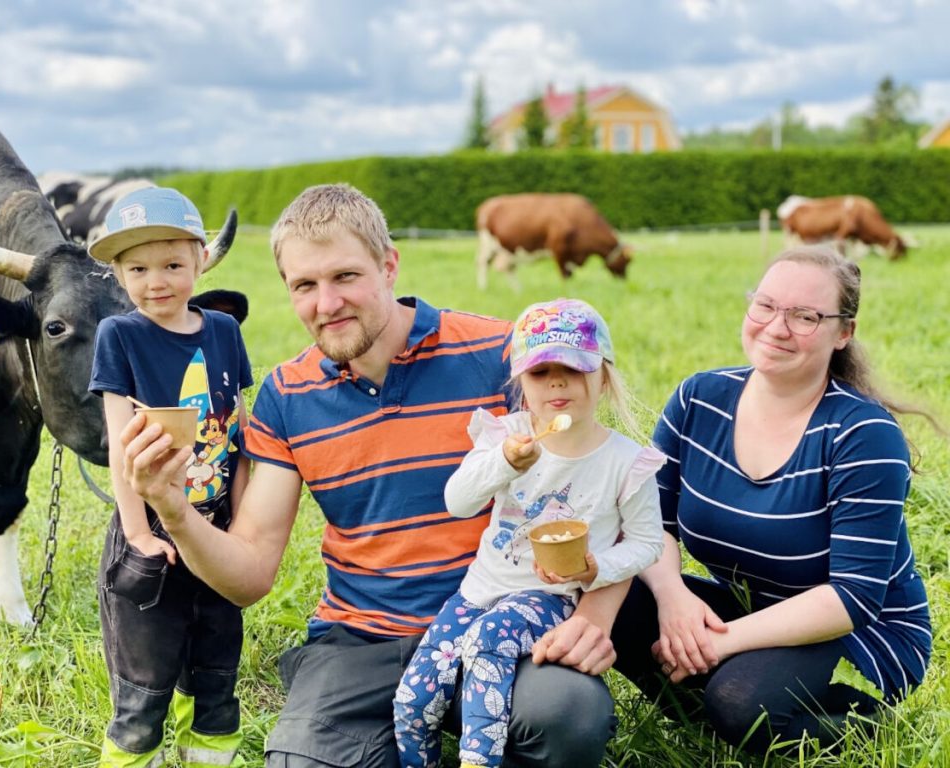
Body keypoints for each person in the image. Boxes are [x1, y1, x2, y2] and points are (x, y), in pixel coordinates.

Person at [117, 183, 623, 768]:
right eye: (304, 286)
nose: (326, 303)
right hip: (361, 638)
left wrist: (595, 614)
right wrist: (173, 510)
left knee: (567, 716)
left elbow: (608, 484)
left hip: (497, 621)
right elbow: (251, 573)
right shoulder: (287, 395)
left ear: (389, 266)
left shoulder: (501, 353)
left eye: (345, 277)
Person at [611, 244, 932, 754]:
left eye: (805, 316)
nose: (777, 327)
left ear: (843, 333)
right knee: (615, 594)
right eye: (765, 305)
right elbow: (648, 523)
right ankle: (715, 715)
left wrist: (720, 643)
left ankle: (863, 723)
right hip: (753, 610)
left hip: (858, 635)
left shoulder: (863, 434)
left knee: (742, 701)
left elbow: (853, 597)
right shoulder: (700, 398)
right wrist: (674, 603)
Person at [393, 298, 665, 768]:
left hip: (550, 595)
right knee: (413, 701)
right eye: (540, 372)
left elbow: (648, 544)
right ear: (521, 382)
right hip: (477, 592)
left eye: (573, 368)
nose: (557, 382)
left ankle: (480, 760)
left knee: (488, 641)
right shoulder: (504, 436)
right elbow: (458, 502)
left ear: (603, 375)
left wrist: (597, 567)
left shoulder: (625, 463)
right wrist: (502, 464)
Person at [88, 187, 254, 767]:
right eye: (137, 268)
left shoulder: (224, 333)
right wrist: (137, 534)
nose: (156, 281)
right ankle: (137, 754)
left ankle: (207, 751)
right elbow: (117, 445)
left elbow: (235, 432)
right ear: (116, 273)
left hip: (215, 528)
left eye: (173, 265)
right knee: (146, 669)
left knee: (215, 658)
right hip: (152, 527)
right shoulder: (121, 336)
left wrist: (241, 525)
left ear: (201, 260)